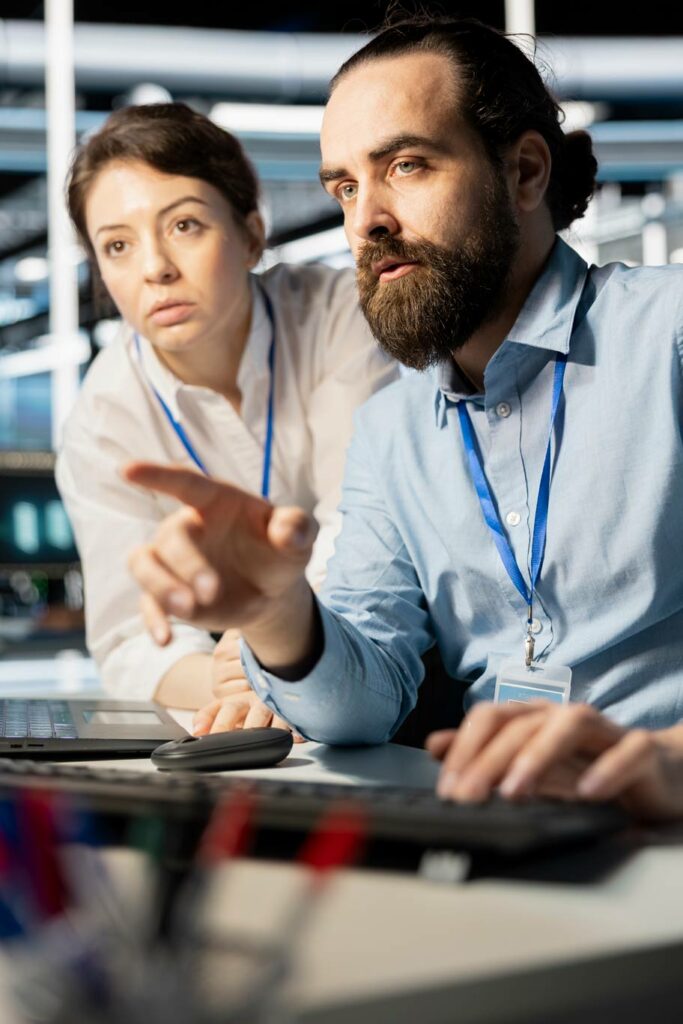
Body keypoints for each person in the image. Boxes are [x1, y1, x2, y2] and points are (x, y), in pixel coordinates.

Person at [123, 18, 683, 819]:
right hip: (501, 826)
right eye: (345, 188)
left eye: (406, 166)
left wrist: (667, 764)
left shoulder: (668, 336)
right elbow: (365, 702)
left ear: (524, 172)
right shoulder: (392, 431)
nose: (364, 222)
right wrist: (277, 613)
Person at [56, 102, 397, 722]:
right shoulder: (100, 423)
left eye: (184, 225)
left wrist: (279, 647)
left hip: (372, 655)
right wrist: (240, 679)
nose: (155, 267)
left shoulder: (338, 317)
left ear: (251, 236)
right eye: (118, 246)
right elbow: (130, 638)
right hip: (239, 690)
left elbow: (360, 530)